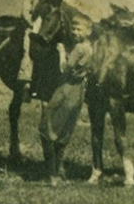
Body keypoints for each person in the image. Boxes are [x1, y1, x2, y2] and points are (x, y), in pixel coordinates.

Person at [40, 15, 94, 185]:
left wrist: (61, 52)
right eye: (74, 30)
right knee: (65, 130)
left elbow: (65, 69)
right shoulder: (91, 48)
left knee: (47, 126)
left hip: (66, 89)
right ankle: (59, 171)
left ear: (88, 31)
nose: (76, 33)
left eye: (79, 30)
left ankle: (51, 173)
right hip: (78, 92)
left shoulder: (78, 48)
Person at [19, 0, 82, 101]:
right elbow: (25, 11)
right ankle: (26, 82)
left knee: (61, 48)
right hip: (35, 24)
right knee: (27, 48)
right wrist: (31, 23)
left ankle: (62, 76)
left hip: (50, 26)